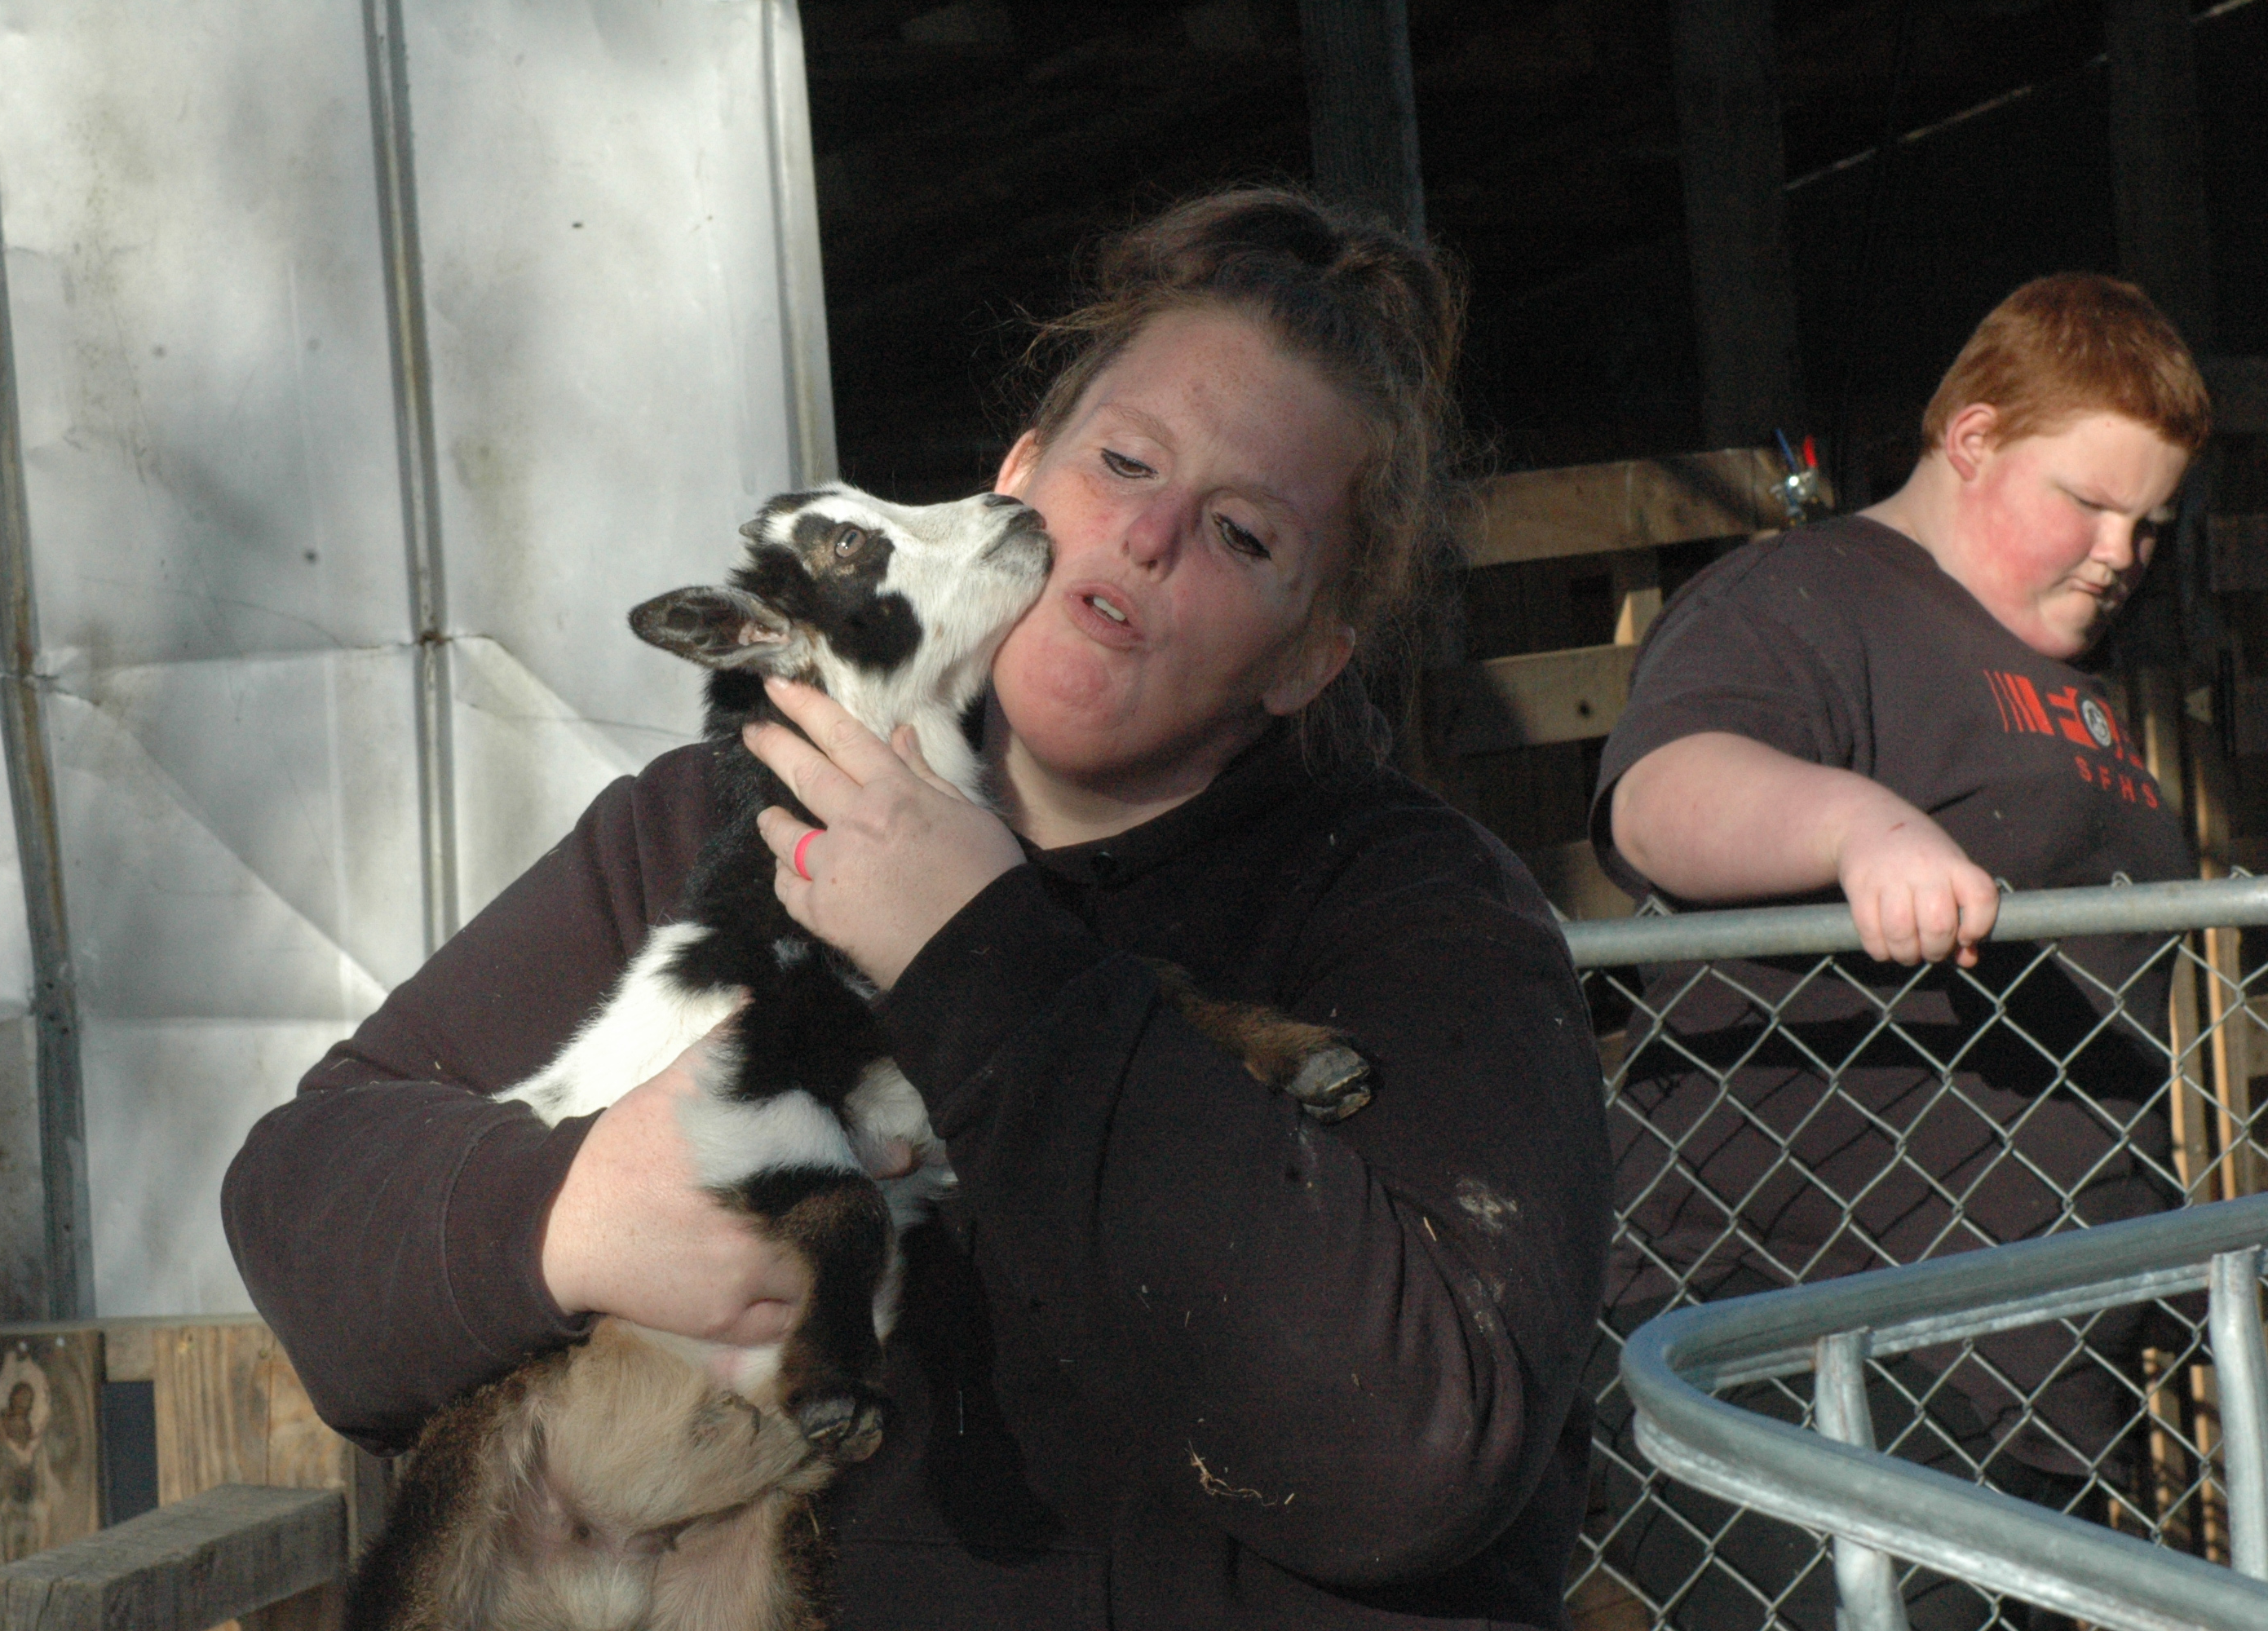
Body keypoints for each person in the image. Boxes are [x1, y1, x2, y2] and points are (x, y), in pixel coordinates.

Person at [223, 188, 1614, 1629]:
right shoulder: (721, 818)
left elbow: (1420, 1458)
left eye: (1244, 537)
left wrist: (976, 950)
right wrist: (570, 1214)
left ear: (1310, 663)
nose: (1146, 536)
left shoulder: (1417, 918)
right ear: (1014, 479)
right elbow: (303, 1204)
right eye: (1123, 462)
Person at [1589, 273, 2210, 1630]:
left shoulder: (2069, 683)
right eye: (2089, 502)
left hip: (2031, 1384)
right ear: (1973, 437)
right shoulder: (1807, 593)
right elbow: (1660, 790)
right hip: (1800, 1335)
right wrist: (1858, 829)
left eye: (2151, 522)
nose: (2122, 550)